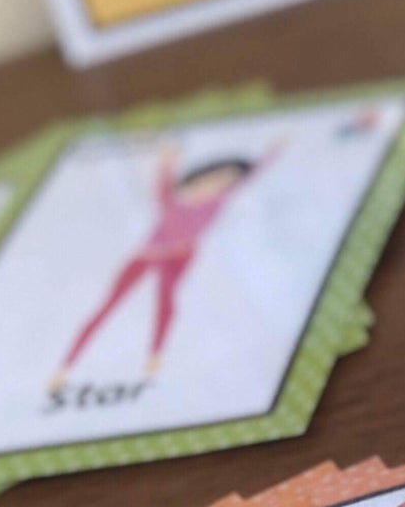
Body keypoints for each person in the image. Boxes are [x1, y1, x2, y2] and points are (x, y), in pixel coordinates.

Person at [49, 139, 280, 388]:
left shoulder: (217, 202)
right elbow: (162, 185)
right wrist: (167, 163)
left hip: (179, 257)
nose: (216, 185)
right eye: (213, 178)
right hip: (147, 255)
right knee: (109, 306)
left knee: (165, 303)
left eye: (226, 181)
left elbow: (254, 173)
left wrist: (275, 149)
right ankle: (66, 366)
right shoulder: (172, 200)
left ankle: (154, 360)